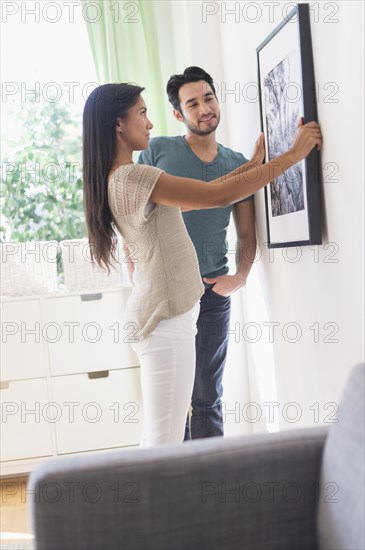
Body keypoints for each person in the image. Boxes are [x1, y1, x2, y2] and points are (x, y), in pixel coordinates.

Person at [82, 82, 322, 448]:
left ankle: (161, 504)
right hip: (164, 319)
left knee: (162, 434)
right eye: (142, 113)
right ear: (118, 124)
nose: (149, 123)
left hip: (160, 316)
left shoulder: (124, 178)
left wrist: (254, 167)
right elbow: (216, 196)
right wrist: (292, 155)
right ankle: (159, 505)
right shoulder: (133, 177)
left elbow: (200, 199)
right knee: (166, 439)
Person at [138, 66, 261, 440]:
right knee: (174, 404)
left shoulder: (238, 164)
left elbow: (246, 232)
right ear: (179, 114)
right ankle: (179, 486)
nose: (204, 108)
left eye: (208, 97)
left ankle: (211, 489)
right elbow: (140, 213)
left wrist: (240, 275)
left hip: (211, 294)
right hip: (168, 294)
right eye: (193, 103)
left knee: (207, 396)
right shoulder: (159, 151)